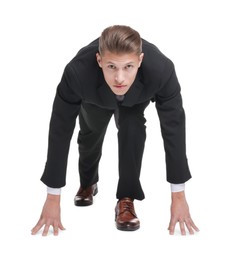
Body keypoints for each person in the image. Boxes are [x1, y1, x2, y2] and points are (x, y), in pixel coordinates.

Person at [31, 25, 199, 236]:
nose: (119, 78)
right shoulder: (77, 72)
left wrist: (179, 197)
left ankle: (126, 199)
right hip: (95, 98)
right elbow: (60, 129)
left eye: (128, 66)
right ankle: (88, 183)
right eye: (111, 66)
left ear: (140, 60)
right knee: (90, 134)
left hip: (135, 101)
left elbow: (174, 128)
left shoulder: (161, 70)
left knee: (133, 129)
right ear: (99, 60)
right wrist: (52, 198)